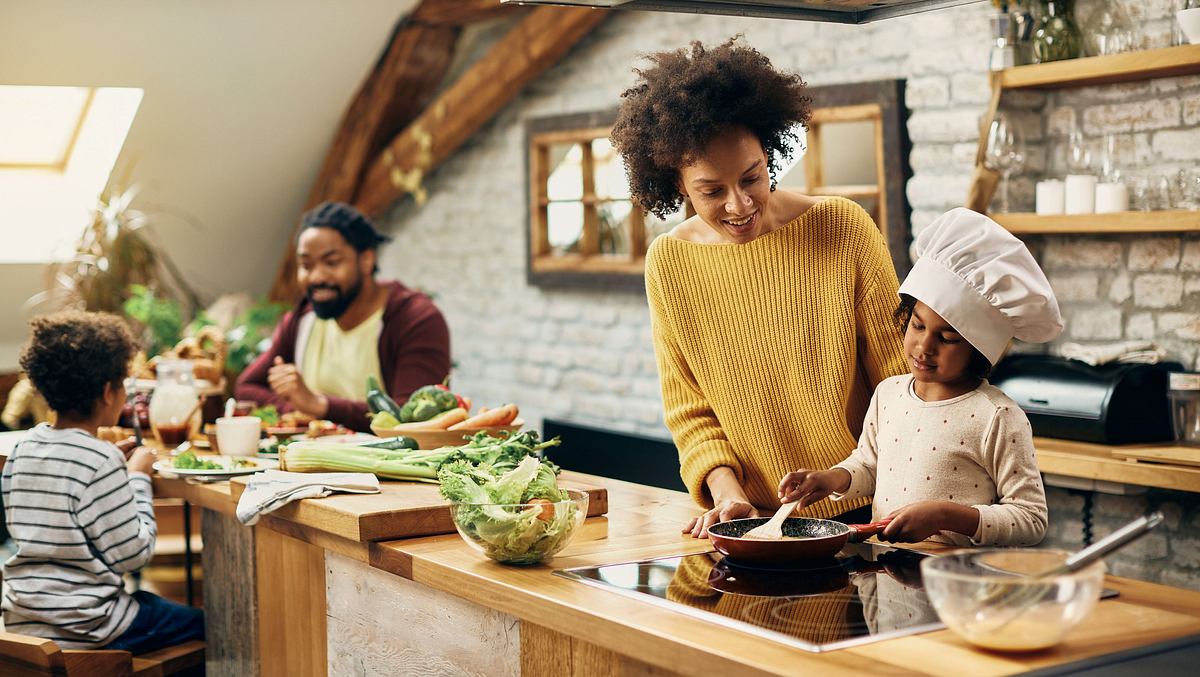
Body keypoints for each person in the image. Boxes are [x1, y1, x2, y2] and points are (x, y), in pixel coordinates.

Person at [611, 38, 909, 538]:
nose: (739, 204)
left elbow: (900, 384)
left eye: (753, 177)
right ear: (678, 185)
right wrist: (729, 496)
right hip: (751, 525)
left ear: (770, 151)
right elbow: (691, 411)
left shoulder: (842, 228)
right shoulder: (671, 263)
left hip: (866, 514)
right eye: (711, 191)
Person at [778, 208, 1059, 546]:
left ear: (979, 348)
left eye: (948, 338)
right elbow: (868, 466)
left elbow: (1030, 518)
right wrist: (832, 479)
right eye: (918, 324)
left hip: (953, 585)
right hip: (883, 574)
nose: (924, 346)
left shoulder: (997, 416)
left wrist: (945, 516)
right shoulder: (889, 394)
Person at [2, 311, 204, 652]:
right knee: (205, 624)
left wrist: (107, 463)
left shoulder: (24, 449)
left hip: (25, 618)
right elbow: (134, 556)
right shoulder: (100, 461)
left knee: (146, 601)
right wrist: (137, 476)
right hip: (90, 624)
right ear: (109, 392)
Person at [236, 202, 451, 432]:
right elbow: (247, 386)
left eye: (332, 262)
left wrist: (321, 406)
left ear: (366, 260)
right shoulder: (303, 320)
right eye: (306, 265)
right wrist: (300, 410)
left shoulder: (415, 319)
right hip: (308, 462)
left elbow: (413, 419)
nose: (316, 277)